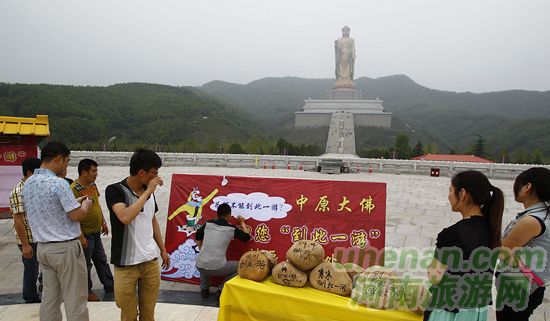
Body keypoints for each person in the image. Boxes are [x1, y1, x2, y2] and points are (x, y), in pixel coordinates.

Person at [23, 142, 93, 321]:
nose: (66, 166)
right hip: (65, 248)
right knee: (75, 298)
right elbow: (76, 216)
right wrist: (85, 205)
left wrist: (74, 201)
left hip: (44, 248)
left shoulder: (29, 182)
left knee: (50, 298)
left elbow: (51, 208)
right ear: (58, 158)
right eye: (66, 161)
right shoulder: (59, 183)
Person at [425, 170, 504, 321]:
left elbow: (435, 277)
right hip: (477, 311)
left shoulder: (452, 234)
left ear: (463, 193)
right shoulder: (492, 230)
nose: (449, 195)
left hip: (449, 311)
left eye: (450, 190)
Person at [105, 149, 170, 321]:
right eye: (154, 172)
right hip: (126, 264)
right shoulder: (115, 190)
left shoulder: (149, 191)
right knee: (129, 314)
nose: (157, 177)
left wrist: (163, 249)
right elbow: (125, 217)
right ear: (142, 172)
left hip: (150, 261)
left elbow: (152, 221)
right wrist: (148, 192)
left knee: (148, 314)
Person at [497, 167, 550, 321]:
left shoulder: (531, 220)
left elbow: (502, 252)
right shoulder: (543, 215)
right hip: (531, 286)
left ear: (527, 187)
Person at [70, 159, 114, 301]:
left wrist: (103, 222)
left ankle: (110, 285)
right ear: (84, 172)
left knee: (101, 259)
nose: (96, 174)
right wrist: (80, 235)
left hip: (96, 232)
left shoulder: (92, 185)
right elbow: (73, 215)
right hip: (85, 233)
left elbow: (97, 205)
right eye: (93, 171)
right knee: (85, 264)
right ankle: (86, 291)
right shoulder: (73, 189)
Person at [195, 203, 251, 299]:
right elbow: (247, 237)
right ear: (229, 216)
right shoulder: (231, 229)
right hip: (217, 268)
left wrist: (201, 250)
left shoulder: (208, 224)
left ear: (217, 214)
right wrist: (242, 223)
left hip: (199, 265)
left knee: (204, 259)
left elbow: (197, 237)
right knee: (242, 266)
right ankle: (221, 288)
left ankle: (204, 289)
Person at [9, 157, 42, 303]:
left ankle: (40, 291)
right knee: (31, 270)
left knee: (39, 267)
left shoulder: (35, 188)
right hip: (28, 238)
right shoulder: (18, 191)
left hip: (38, 236)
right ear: (29, 173)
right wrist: (26, 245)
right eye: (39, 172)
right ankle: (30, 299)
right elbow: (18, 220)